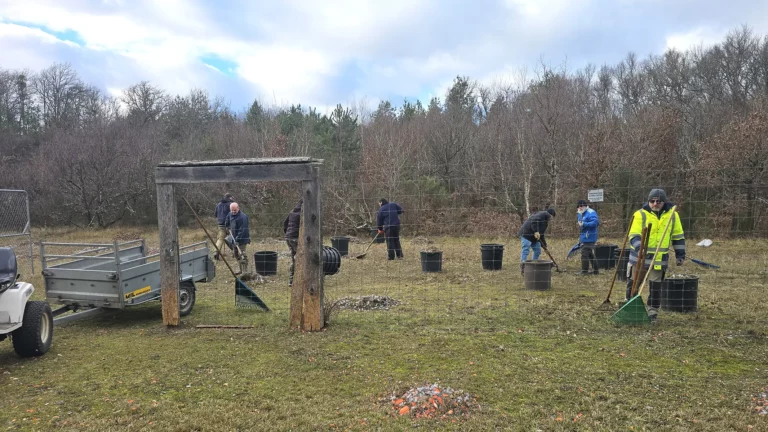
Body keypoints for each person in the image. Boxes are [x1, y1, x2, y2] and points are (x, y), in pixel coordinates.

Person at [625, 188, 686, 322]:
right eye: (652, 201)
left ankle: (652, 312)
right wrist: (639, 247)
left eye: (658, 201)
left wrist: (680, 254)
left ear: (664, 202)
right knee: (633, 284)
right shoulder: (640, 214)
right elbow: (634, 234)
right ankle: (629, 307)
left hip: (659, 260)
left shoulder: (673, 216)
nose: (655, 204)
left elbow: (678, 236)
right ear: (648, 201)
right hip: (639, 258)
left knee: (655, 287)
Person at [518, 208, 556, 275]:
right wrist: (536, 231)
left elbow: (541, 235)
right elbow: (534, 222)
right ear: (549, 214)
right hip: (526, 234)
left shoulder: (545, 223)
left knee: (537, 251)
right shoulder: (541, 214)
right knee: (526, 249)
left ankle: (533, 265)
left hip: (534, 238)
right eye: (551, 217)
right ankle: (523, 267)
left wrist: (544, 246)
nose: (551, 219)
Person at [224, 202, 250, 275]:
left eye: (234, 210)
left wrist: (237, 239)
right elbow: (227, 220)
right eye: (231, 210)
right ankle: (240, 269)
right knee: (236, 254)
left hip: (242, 238)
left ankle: (245, 272)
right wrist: (227, 225)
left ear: (238, 208)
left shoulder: (243, 217)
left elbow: (243, 230)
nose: (233, 212)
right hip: (234, 238)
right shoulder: (230, 214)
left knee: (242, 254)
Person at [577, 199, 600, 275]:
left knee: (584, 254)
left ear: (585, 206)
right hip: (584, 237)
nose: (580, 208)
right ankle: (596, 271)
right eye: (578, 206)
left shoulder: (591, 212)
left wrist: (584, 224)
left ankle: (584, 271)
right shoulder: (580, 213)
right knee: (590, 254)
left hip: (590, 236)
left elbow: (595, 223)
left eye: (581, 206)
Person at [283, 199, 302, 287]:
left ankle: (292, 279)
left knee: (294, 257)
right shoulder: (302, 214)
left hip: (288, 237)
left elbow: (285, 224)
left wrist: (287, 233)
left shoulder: (292, 212)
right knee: (299, 258)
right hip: (296, 238)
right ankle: (296, 279)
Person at [213, 193, 234, 260]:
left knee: (220, 239)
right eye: (231, 197)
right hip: (229, 224)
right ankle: (235, 252)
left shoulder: (218, 204)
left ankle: (216, 252)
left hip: (220, 224)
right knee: (233, 237)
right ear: (229, 197)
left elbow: (215, 214)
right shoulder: (231, 204)